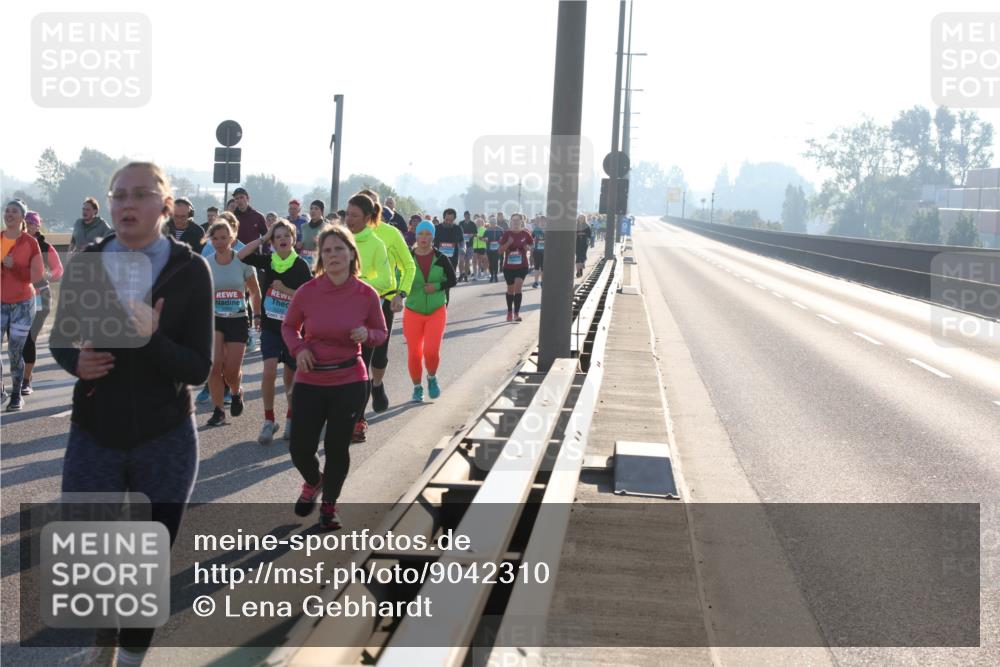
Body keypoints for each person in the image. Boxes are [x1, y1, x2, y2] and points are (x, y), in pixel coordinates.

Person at [49, 162, 212, 666]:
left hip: (164, 436)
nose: (126, 204)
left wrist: (153, 339)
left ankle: (132, 657)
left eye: (141, 194)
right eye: (118, 195)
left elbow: (199, 368)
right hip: (95, 430)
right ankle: (105, 635)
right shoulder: (87, 263)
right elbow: (60, 339)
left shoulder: (190, 270)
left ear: (166, 205)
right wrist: (75, 361)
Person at [282, 225, 387, 530]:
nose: (333, 255)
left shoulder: (366, 294)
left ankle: (329, 506)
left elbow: (381, 333)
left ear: (352, 253)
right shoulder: (308, 292)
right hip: (310, 378)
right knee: (300, 449)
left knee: (337, 447)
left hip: (349, 380)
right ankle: (314, 480)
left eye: (339, 249)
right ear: (320, 257)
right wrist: (299, 349)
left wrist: (367, 334)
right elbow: (289, 327)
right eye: (326, 250)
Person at [238, 220, 313, 443]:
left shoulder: (300, 265)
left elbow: (308, 297)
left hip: (293, 329)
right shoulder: (269, 261)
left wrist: (286, 290)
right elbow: (241, 255)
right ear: (272, 241)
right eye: (277, 236)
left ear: (293, 240)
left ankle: (291, 417)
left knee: (290, 378)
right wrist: (263, 237)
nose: (282, 239)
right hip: (271, 326)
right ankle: (269, 420)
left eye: (286, 236)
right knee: (269, 371)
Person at [357, 189, 415, 415]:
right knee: (359, 356)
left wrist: (401, 294)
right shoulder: (348, 233)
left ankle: (377, 384)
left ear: (377, 208)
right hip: (353, 301)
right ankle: (357, 413)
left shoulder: (390, 233)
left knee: (378, 355)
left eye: (370, 204)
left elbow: (408, 266)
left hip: (384, 300)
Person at [342, 193, 392, 442]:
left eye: (354, 215)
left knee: (359, 368)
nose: (348, 219)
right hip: (337, 314)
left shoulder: (376, 244)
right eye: (347, 214)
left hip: (366, 316)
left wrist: (357, 283)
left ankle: (358, 419)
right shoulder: (339, 239)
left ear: (367, 218)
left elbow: (386, 280)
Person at [205, 220, 261, 427]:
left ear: (232, 238)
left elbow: (254, 291)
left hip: (237, 320)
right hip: (214, 320)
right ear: (210, 240)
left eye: (223, 238)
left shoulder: (242, 261)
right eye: (215, 238)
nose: (219, 242)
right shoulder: (207, 263)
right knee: (214, 367)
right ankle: (218, 410)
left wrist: (257, 315)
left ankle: (236, 392)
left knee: (231, 370)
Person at [403, 221, 456, 402]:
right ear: (416, 236)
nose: (424, 238)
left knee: (431, 351)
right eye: (421, 234)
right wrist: (398, 294)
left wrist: (437, 286)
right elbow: (399, 277)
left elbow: (452, 280)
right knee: (414, 354)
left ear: (433, 237)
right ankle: (417, 388)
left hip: (436, 310)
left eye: (428, 234)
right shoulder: (408, 258)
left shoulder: (441, 258)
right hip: (413, 310)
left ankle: (432, 377)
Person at [1, 199, 43, 410]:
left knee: (15, 351)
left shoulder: (30, 243)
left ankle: (16, 394)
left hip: (23, 304)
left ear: (22, 217)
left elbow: (37, 275)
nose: (9, 214)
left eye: (14, 211)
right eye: (7, 210)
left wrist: (14, 266)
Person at [20, 211, 64, 396]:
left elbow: (58, 269)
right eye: (26, 222)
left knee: (28, 338)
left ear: (37, 226)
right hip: (20, 298)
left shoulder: (45, 246)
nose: (27, 225)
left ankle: (26, 380)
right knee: (18, 339)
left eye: (31, 223)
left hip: (41, 297)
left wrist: (48, 274)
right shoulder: (15, 245)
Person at [499, 213, 532, 322]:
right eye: (513, 220)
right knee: (510, 290)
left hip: (522, 266)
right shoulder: (506, 234)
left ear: (521, 222)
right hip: (509, 267)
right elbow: (500, 251)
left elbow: (531, 246)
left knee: (518, 286)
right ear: (511, 222)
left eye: (518, 220)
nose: (515, 222)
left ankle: (516, 313)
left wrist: (528, 247)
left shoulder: (525, 234)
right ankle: (509, 311)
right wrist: (508, 243)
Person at [298, 199, 328, 271]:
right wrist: (299, 245)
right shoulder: (303, 227)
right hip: (304, 260)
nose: (313, 211)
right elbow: (300, 244)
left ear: (322, 212)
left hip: (319, 261)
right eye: (311, 208)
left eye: (316, 209)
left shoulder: (327, 227)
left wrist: (320, 243)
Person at [433, 208, 464, 274]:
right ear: (444, 217)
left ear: (454, 219)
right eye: (447, 219)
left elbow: (461, 241)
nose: (448, 222)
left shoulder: (458, 229)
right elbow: (431, 241)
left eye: (451, 220)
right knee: (439, 276)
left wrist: (462, 249)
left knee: (451, 277)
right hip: (438, 258)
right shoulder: (436, 228)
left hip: (453, 259)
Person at [458, 210, 477, 282]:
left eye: (468, 215)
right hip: (461, 244)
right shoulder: (460, 223)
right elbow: (457, 232)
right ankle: (461, 274)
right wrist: (461, 235)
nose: (467, 216)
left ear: (469, 215)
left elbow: (476, 234)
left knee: (467, 260)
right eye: (466, 215)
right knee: (461, 259)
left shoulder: (473, 224)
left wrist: (472, 235)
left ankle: (466, 275)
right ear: (464, 216)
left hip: (470, 244)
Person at [483, 216, 504, 283]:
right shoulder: (487, 230)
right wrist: (485, 239)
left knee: (495, 262)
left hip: (497, 248)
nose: (492, 224)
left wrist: (501, 239)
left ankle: (495, 275)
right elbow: (483, 238)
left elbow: (504, 238)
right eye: (491, 223)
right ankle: (492, 275)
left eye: (494, 223)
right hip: (489, 248)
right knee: (490, 262)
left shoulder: (500, 229)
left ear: (496, 223)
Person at [531, 215, 546, 288]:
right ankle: (536, 282)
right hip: (537, 251)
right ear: (539, 222)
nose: (542, 222)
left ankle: (543, 282)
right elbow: (531, 238)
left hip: (545, 252)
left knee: (543, 268)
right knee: (536, 267)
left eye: (544, 221)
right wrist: (532, 246)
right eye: (541, 221)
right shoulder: (536, 229)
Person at [472, 215, 488, 279]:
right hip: (475, 247)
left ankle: (484, 272)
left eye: (479, 222)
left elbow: (486, 239)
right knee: (474, 261)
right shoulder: (473, 229)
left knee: (482, 261)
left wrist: (480, 237)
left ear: (482, 223)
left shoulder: (484, 229)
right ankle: (476, 274)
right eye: (477, 222)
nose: (478, 223)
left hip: (482, 247)